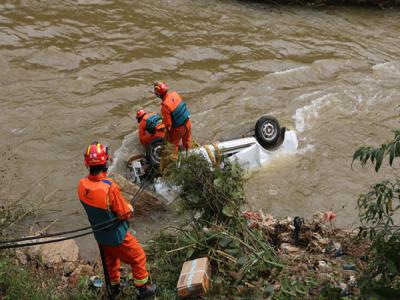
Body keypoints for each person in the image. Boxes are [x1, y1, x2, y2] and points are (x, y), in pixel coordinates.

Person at [77, 142, 157, 299]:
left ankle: (114, 288)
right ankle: (143, 289)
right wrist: (130, 208)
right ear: (105, 163)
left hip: (100, 236)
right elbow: (124, 213)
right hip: (117, 236)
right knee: (138, 256)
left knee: (110, 261)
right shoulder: (109, 188)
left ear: (88, 164)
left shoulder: (82, 186)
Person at [153, 81, 191, 153]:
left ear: (158, 94)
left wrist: (166, 136)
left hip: (179, 129)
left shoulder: (165, 107)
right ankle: (189, 154)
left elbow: (168, 125)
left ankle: (174, 162)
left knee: (173, 146)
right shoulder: (175, 94)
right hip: (188, 123)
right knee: (187, 141)